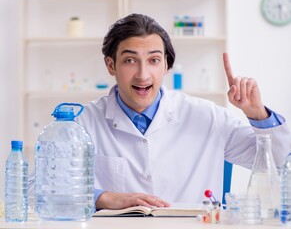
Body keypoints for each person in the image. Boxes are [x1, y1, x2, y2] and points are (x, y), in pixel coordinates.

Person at [29, 13, 291, 210]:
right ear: (111, 65)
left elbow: (281, 162)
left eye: (154, 60)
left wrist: (258, 113)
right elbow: (33, 190)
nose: (143, 75)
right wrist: (101, 197)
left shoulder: (208, 116)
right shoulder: (82, 122)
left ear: (166, 65)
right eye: (130, 60)